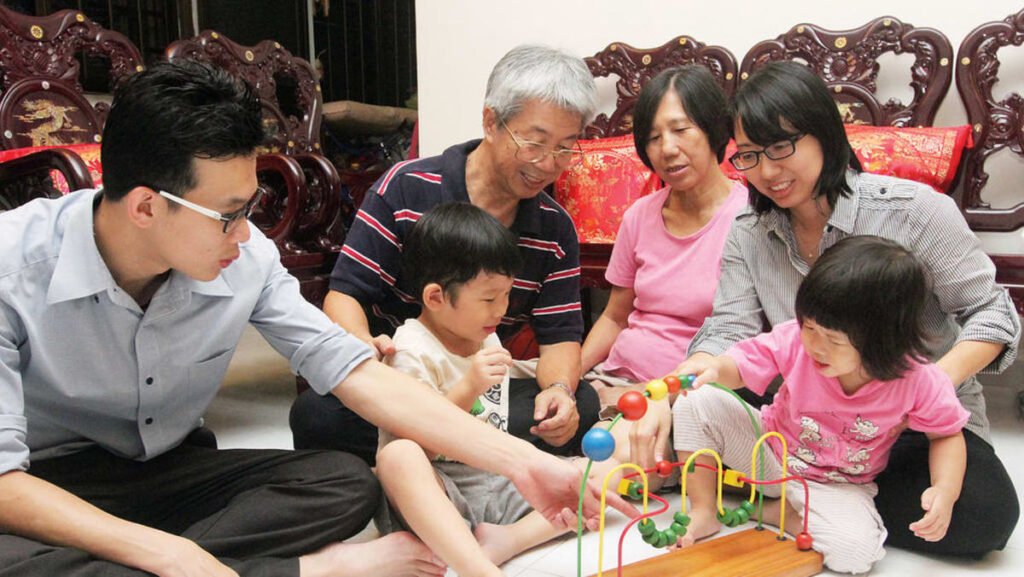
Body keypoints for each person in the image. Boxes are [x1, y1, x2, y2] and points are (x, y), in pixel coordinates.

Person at [0, 61, 633, 577]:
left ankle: (127, 557)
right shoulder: (11, 267)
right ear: (145, 207)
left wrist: (528, 464)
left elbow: (355, 372)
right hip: (45, 477)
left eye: (250, 207)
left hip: (170, 469)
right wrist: (166, 553)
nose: (246, 234)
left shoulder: (246, 259)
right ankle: (294, 569)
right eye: (228, 215)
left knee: (342, 483)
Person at [677, 61, 1020, 558]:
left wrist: (928, 386)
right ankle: (804, 497)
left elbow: (992, 314)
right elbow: (730, 327)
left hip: (911, 426)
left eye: (781, 147)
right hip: (803, 419)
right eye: (749, 155)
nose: (767, 172)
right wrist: (695, 372)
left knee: (982, 516)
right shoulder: (749, 230)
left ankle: (792, 502)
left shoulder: (913, 211)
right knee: (694, 411)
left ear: (825, 133)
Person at [291, 44, 601, 465]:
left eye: (565, 147)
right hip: (399, 381)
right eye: (534, 142)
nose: (548, 164)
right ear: (491, 121)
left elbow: (560, 335)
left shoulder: (555, 226)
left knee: (581, 404)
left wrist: (559, 392)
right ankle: (468, 452)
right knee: (317, 415)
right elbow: (345, 295)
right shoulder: (405, 188)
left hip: (480, 387)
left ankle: (435, 452)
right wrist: (366, 353)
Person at [673, 235, 969, 573]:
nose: (815, 345)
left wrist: (945, 490)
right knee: (695, 400)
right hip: (769, 450)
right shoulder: (794, 340)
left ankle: (776, 512)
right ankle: (704, 509)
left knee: (856, 554)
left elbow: (946, 434)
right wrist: (714, 367)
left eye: (834, 340)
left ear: (885, 340)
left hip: (837, 484)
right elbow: (741, 365)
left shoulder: (919, 379)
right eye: (810, 327)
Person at [374, 203, 620, 577]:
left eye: (507, 295)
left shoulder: (484, 336)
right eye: (489, 299)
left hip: (496, 476)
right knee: (398, 457)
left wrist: (559, 388)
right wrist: (469, 387)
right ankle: (472, 562)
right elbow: (418, 443)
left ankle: (506, 541)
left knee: (604, 472)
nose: (501, 310)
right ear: (436, 297)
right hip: (438, 489)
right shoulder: (410, 349)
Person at [578, 65, 746, 479]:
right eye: (653, 138)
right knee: (506, 399)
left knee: (606, 463)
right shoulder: (640, 215)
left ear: (714, 131)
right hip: (611, 378)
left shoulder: (750, 221)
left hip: (680, 398)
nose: (667, 149)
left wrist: (635, 394)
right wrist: (567, 379)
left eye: (681, 129)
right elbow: (615, 317)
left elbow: (741, 345)